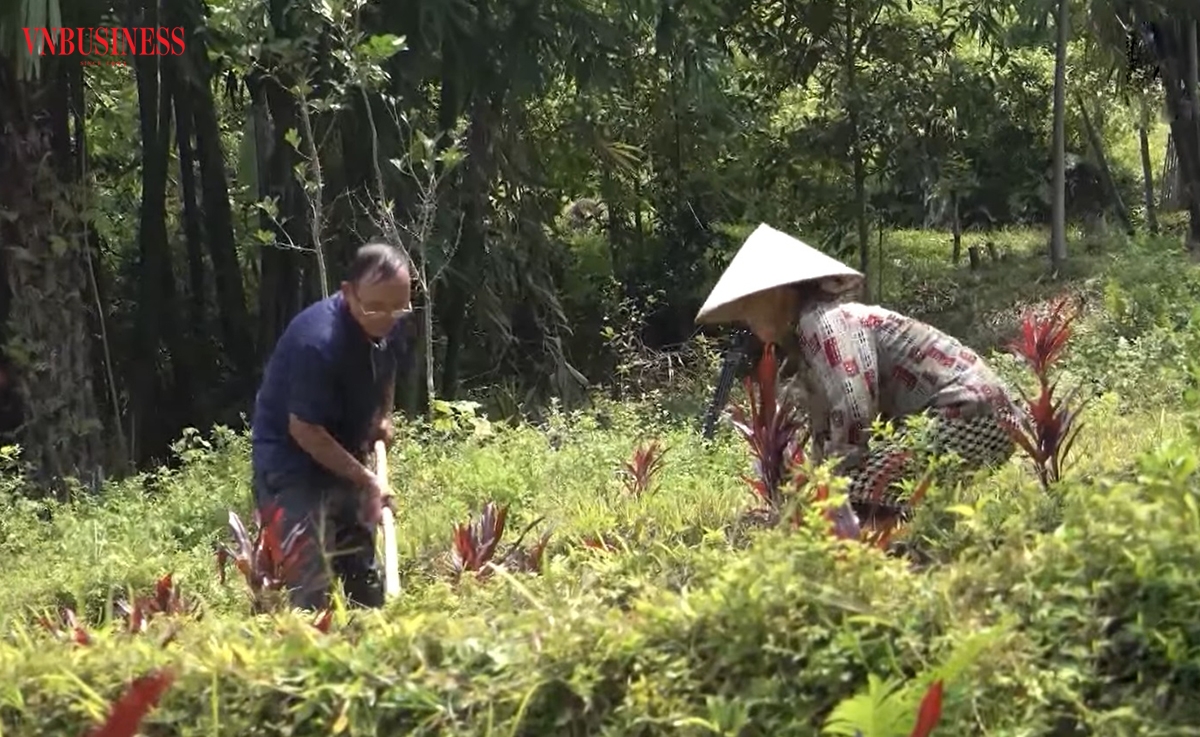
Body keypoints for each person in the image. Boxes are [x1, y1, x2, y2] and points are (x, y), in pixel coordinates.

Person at [696, 223, 1018, 526]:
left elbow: (853, 406)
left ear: (781, 292)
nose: (746, 317)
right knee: (863, 487)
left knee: (854, 487)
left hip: (970, 413)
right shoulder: (807, 342)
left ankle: (875, 558)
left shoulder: (825, 322)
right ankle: (910, 546)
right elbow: (826, 427)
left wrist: (828, 489)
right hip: (981, 415)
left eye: (750, 303)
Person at [250, 240, 413, 609]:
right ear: (348, 293)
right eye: (374, 307)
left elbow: (387, 368)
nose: (386, 318)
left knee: (361, 568)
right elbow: (305, 430)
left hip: (345, 450)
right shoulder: (318, 343)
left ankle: (372, 640)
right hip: (293, 466)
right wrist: (369, 479)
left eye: (397, 307)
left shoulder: (394, 319)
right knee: (309, 584)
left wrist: (382, 416)